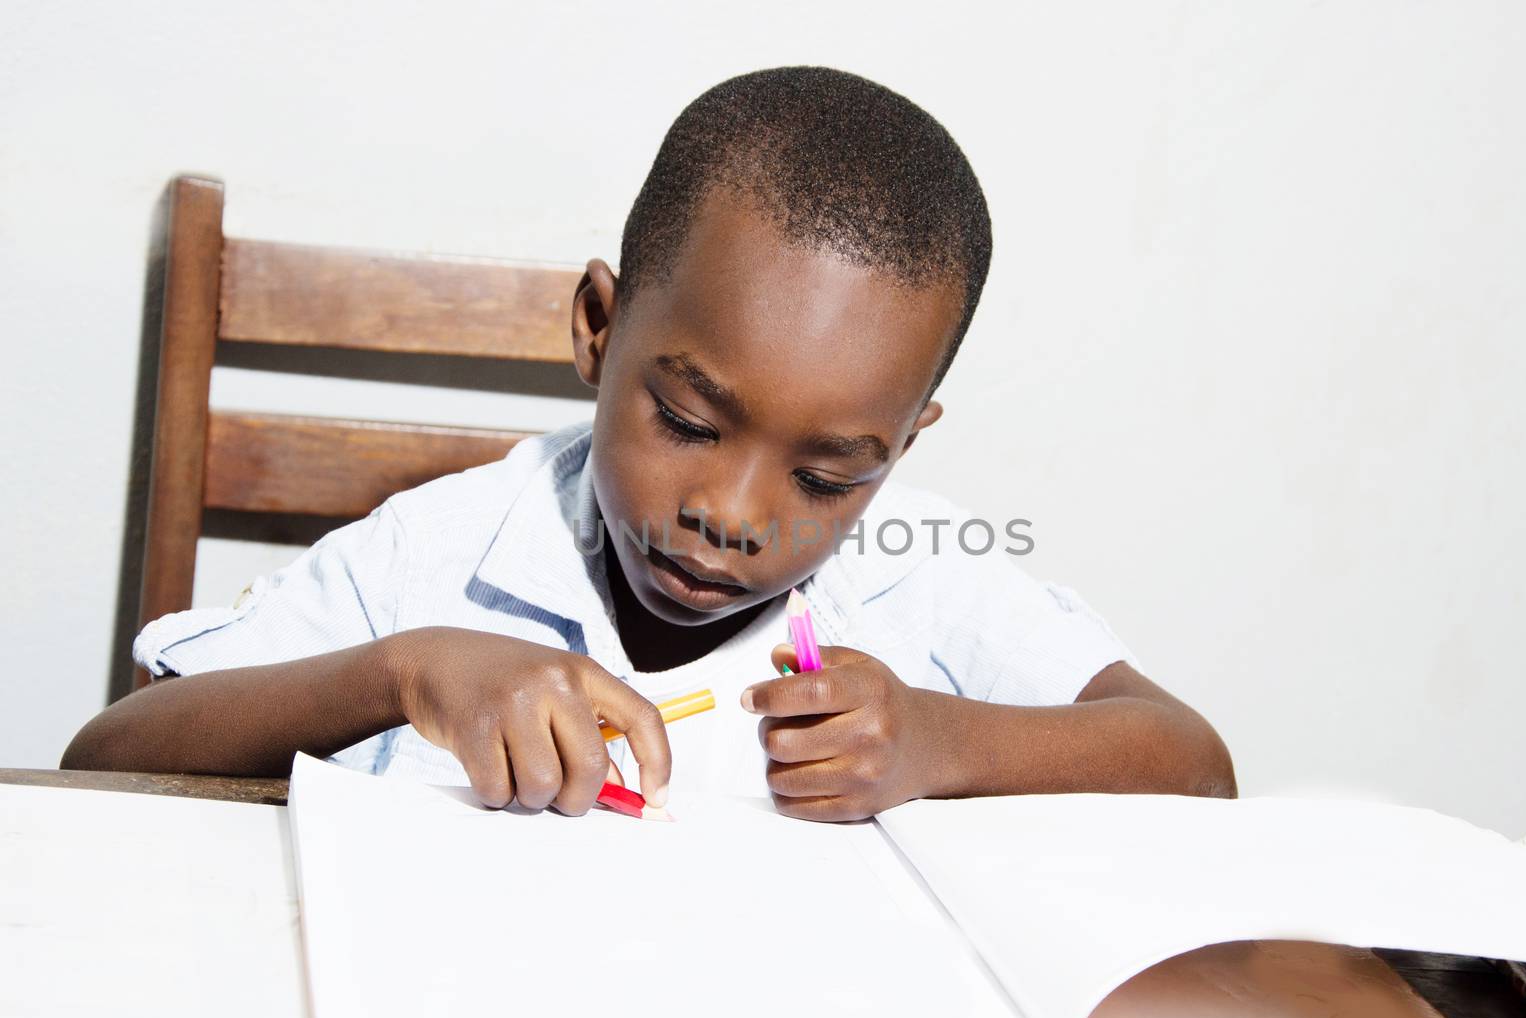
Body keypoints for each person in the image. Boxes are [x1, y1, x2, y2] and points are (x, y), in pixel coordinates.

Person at [62, 66, 1235, 820]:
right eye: (684, 420)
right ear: (598, 328)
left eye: (829, 473)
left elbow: (1192, 762)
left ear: (900, 449)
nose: (731, 509)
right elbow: (106, 759)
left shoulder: (922, 580)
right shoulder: (437, 555)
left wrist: (939, 740)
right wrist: (403, 671)